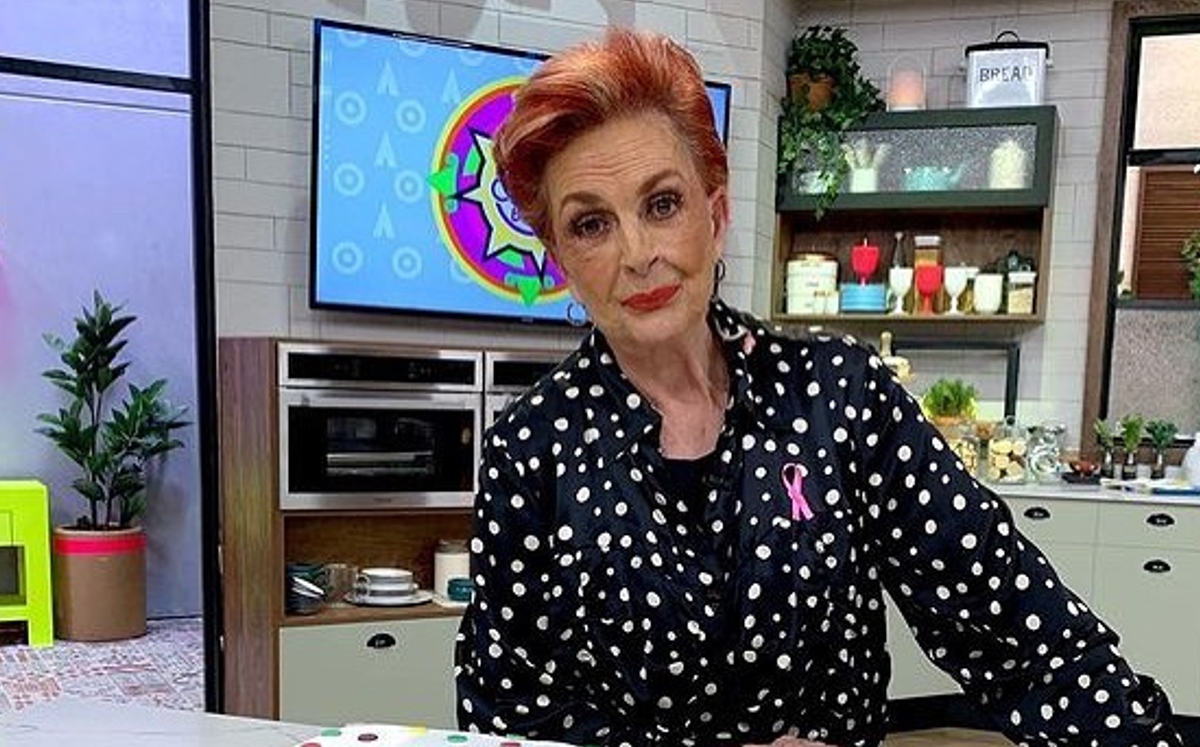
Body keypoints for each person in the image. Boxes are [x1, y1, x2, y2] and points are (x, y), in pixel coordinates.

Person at [453, 27, 1183, 747]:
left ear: (716, 212)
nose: (638, 254)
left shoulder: (840, 397)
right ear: (560, 260)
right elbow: (507, 711)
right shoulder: (530, 448)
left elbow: (1021, 628)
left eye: (663, 204)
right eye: (591, 224)